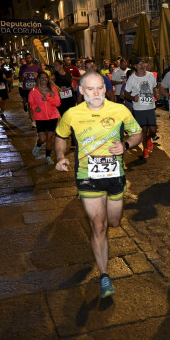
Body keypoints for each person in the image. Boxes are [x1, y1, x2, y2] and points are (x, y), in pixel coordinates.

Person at [54, 72, 142, 298]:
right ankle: (105, 276)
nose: (96, 93)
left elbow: (137, 133)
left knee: (113, 222)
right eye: (90, 89)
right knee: (99, 225)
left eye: (100, 88)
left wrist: (126, 145)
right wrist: (60, 156)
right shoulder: (71, 114)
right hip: (87, 176)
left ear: (105, 88)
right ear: (81, 91)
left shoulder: (120, 110)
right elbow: (60, 136)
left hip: (116, 176)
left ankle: (103, 249)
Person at [123, 57, 158, 159]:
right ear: (135, 66)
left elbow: (154, 86)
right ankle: (145, 149)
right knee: (144, 129)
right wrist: (133, 98)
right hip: (139, 108)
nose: (142, 66)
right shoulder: (132, 78)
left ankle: (147, 139)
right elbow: (126, 93)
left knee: (153, 130)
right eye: (139, 64)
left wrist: (156, 94)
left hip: (150, 106)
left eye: (143, 63)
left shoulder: (151, 75)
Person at [29, 72, 61, 164]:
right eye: (42, 77)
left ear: (48, 79)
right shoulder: (34, 91)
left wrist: (49, 99)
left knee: (50, 138)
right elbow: (31, 102)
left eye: (46, 77)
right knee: (43, 138)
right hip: (40, 118)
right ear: (38, 79)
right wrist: (36, 107)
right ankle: (38, 145)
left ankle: (48, 157)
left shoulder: (52, 89)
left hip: (52, 117)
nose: (44, 79)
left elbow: (58, 103)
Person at [18, 53, 41, 126]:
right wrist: (22, 77)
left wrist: (37, 76)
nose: (28, 59)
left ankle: (38, 118)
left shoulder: (37, 67)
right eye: (27, 58)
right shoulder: (22, 68)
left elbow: (42, 78)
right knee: (30, 105)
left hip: (36, 89)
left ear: (32, 58)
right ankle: (32, 121)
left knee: (37, 104)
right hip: (27, 89)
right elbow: (20, 80)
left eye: (29, 58)